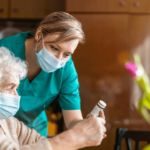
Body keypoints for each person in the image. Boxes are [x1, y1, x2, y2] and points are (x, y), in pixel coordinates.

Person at [0, 11, 106, 147]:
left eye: (67, 54)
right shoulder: (3, 52)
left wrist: (86, 127)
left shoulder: (65, 68)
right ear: (39, 35)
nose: (58, 59)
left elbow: (73, 120)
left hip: (32, 133)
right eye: (54, 48)